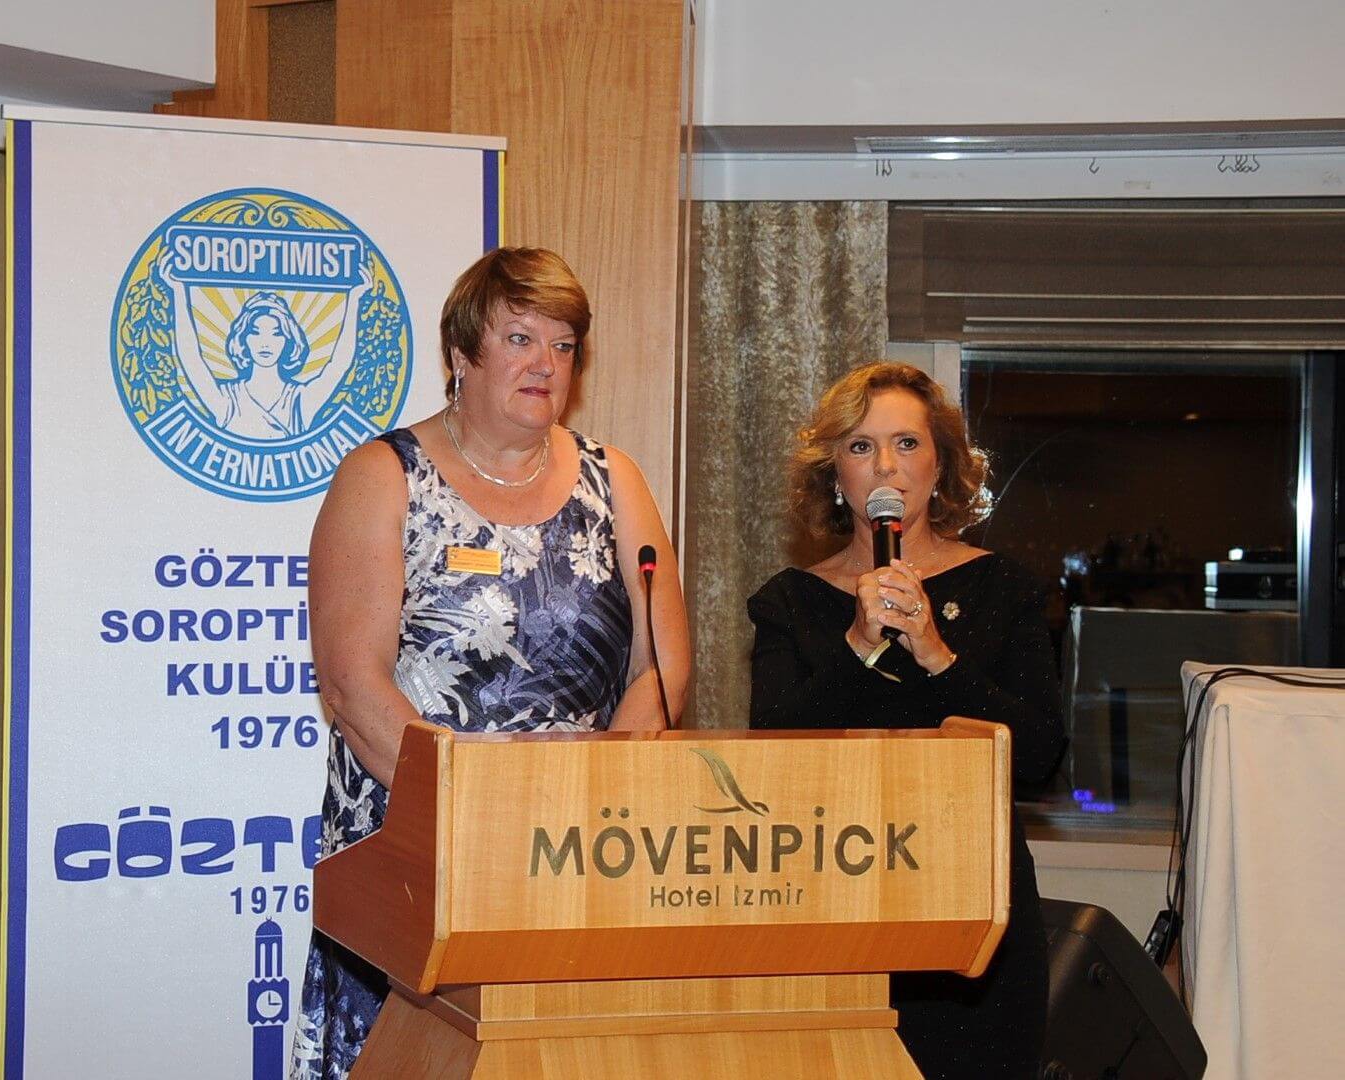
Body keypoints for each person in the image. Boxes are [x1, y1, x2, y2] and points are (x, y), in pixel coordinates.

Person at [290, 247, 690, 1079]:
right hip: (420, 844)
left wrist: (601, 803)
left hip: (578, 845)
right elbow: (355, 688)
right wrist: (478, 815)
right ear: (460, 354)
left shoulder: (614, 480)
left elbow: (660, 668)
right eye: (519, 339)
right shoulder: (383, 476)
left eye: (563, 345)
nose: (545, 363)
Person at [748, 361, 1066, 1079]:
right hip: (833, 908)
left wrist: (936, 656)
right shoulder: (788, 602)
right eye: (860, 447)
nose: (885, 466)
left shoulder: (1003, 588)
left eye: (906, 444)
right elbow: (772, 755)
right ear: (835, 474)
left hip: (973, 922)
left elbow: (1039, 755)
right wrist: (857, 644)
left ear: (940, 465)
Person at [158, 247, 371, 438]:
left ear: (288, 341)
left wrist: (354, 299)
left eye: (276, 333)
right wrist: (178, 291)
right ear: (243, 339)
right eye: (256, 332)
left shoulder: (300, 401)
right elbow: (191, 360)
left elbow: (339, 363)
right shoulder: (227, 399)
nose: (265, 343)